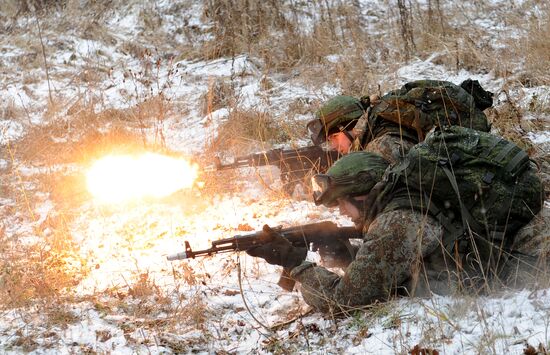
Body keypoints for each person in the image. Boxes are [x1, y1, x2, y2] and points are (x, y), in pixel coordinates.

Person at [248, 127, 544, 313]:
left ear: (361, 195)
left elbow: (343, 301)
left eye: (340, 202)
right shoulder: (406, 196)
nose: (339, 211)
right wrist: (353, 257)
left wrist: (296, 263)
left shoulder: (396, 223)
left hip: (533, 258)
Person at [307, 79, 492, 164]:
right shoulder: (378, 122)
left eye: (333, 138)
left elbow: (406, 192)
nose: (333, 146)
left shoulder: (381, 145)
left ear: (346, 126)